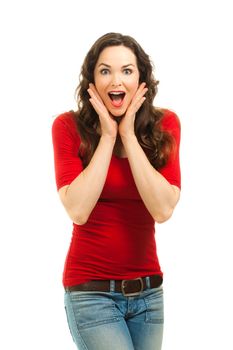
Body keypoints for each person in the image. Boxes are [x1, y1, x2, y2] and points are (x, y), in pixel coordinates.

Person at [52, 32, 181, 350]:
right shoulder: (67, 127)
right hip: (90, 294)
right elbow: (78, 209)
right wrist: (109, 136)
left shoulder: (166, 125)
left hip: (149, 295)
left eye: (127, 70)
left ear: (141, 80)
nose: (116, 80)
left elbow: (163, 209)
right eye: (105, 70)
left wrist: (129, 135)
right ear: (92, 81)